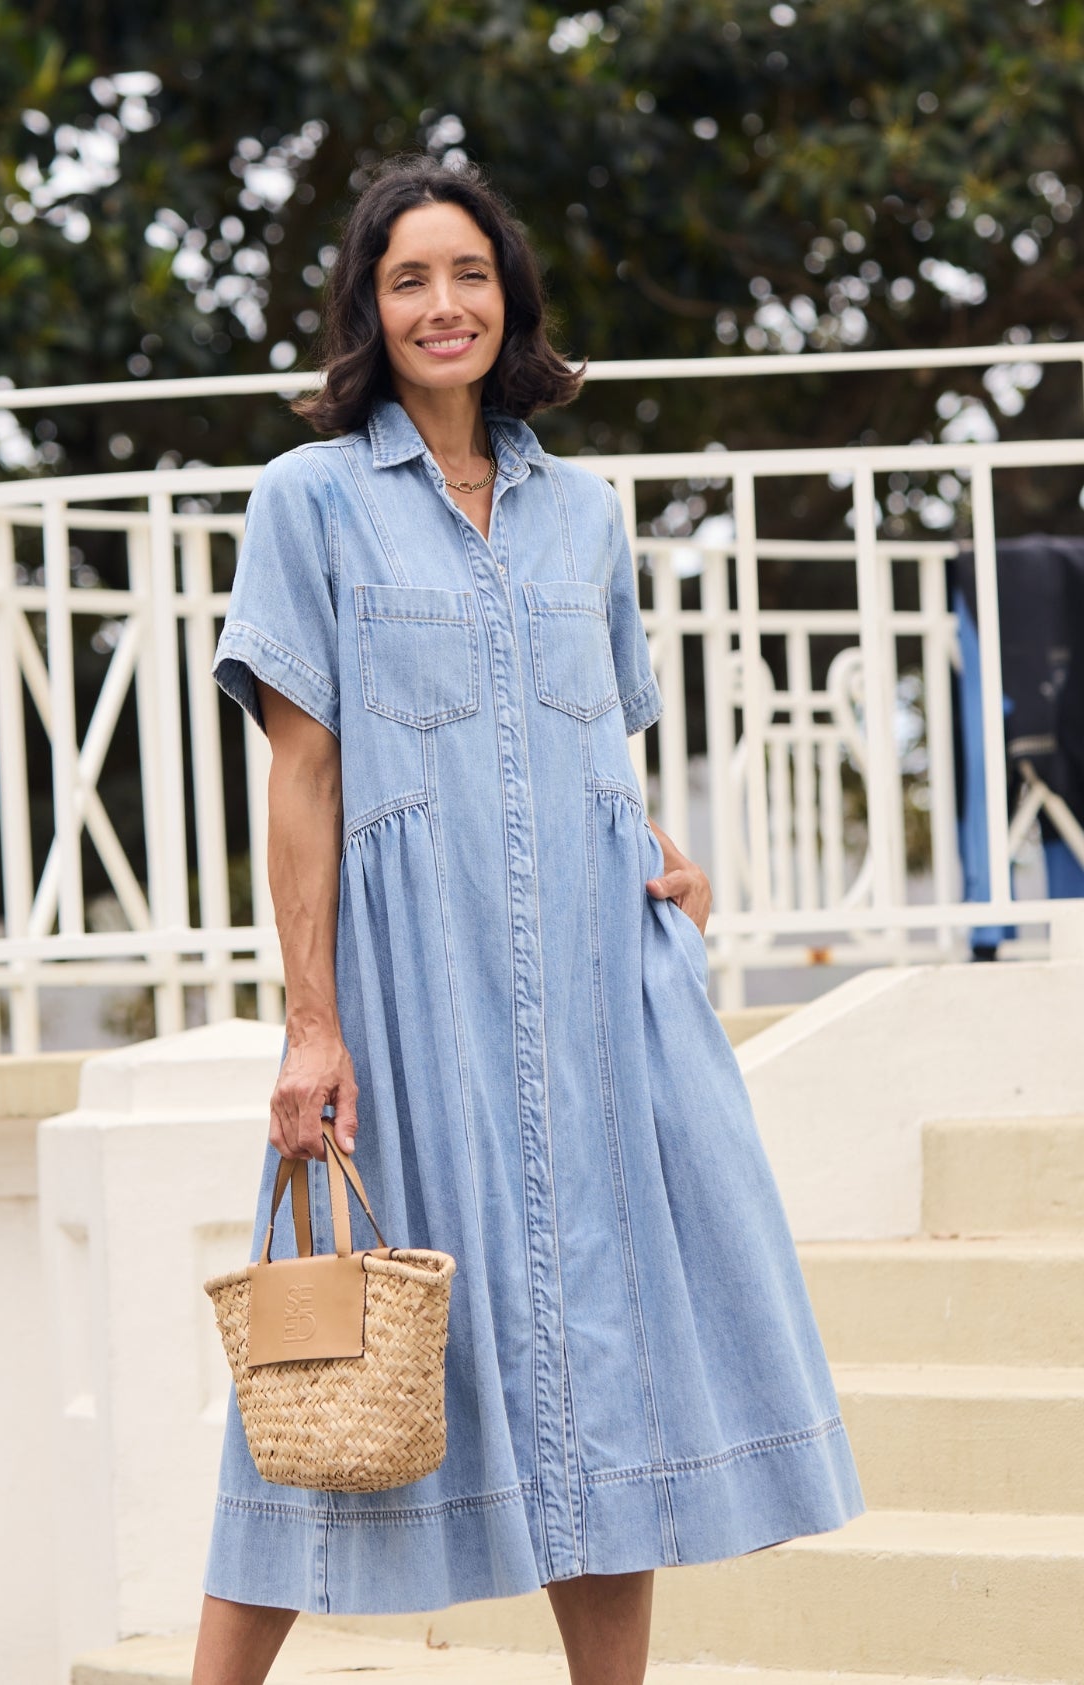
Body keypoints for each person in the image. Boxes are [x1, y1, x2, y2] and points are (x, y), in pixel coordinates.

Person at [198, 154, 864, 1685]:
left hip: (595, 1006)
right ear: (371, 309)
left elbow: (584, 743)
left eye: (471, 274)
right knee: (329, 1368)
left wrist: (670, 855)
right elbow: (303, 777)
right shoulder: (310, 500)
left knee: (610, 1369)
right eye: (411, 278)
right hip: (410, 1009)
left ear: (513, 300)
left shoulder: (588, 516)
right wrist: (311, 1019)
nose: (446, 303)